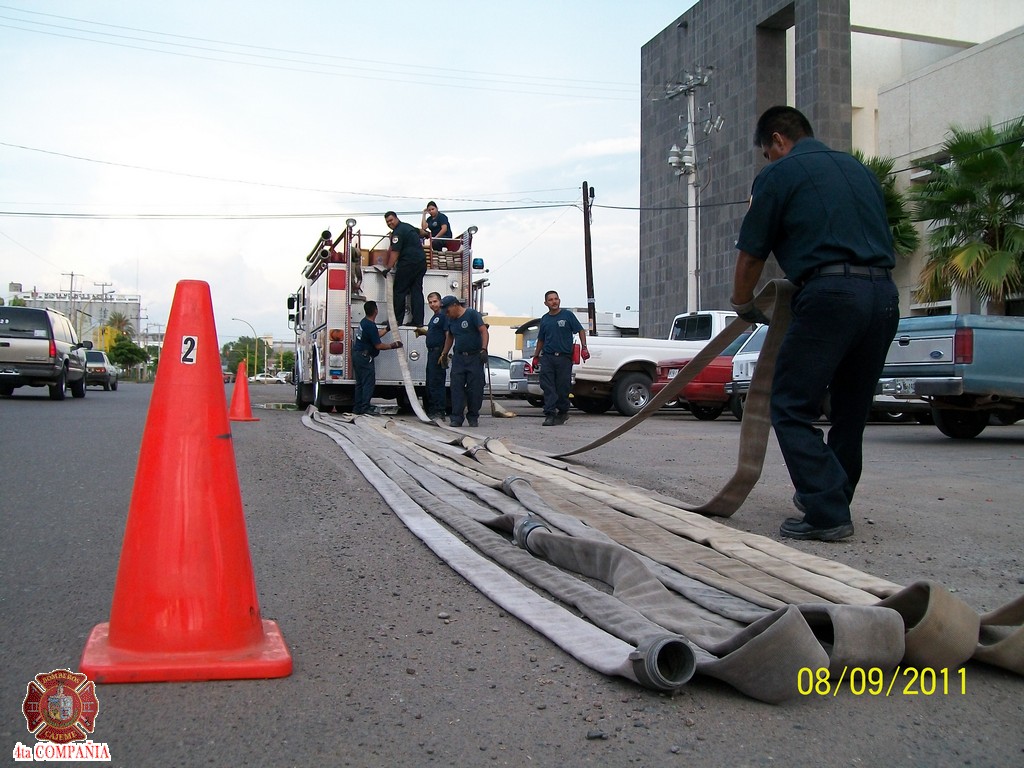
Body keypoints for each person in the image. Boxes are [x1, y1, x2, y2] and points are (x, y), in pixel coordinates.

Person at [732, 105, 898, 542]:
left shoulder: (779, 174)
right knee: (850, 410)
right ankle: (832, 495)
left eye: (767, 153)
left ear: (777, 140)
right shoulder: (859, 170)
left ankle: (826, 511)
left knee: (788, 404)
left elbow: (752, 252)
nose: (769, 160)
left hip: (831, 296)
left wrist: (742, 302)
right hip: (883, 295)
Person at [532, 290, 588, 426]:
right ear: (546, 303)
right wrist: (536, 356)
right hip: (548, 358)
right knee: (548, 387)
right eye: (550, 300)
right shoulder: (545, 319)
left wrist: (584, 347)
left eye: (556, 299)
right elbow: (541, 339)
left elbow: (580, 330)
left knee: (563, 387)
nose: (554, 302)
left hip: (564, 358)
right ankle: (550, 414)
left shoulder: (567, 315)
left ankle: (563, 412)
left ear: (559, 300)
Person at [438, 295, 488, 427]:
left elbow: (484, 331)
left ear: (455, 305)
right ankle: (456, 418)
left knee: (475, 389)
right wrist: (444, 353)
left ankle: (473, 416)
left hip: (474, 357)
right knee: (456, 388)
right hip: (459, 358)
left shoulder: (472, 314)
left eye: (447, 311)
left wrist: (484, 349)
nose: (447, 315)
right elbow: (450, 337)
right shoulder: (450, 320)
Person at [351, 300, 402, 416]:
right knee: (368, 383)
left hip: (357, 355)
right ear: (376, 311)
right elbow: (378, 345)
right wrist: (393, 345)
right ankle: (365, 407)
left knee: (359, 383)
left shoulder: (364, 322)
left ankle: (357, 407)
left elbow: (375, 335)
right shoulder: (370, 325)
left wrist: (387, 329)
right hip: (365, 358)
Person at [384, 211, 427, 330]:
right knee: (416, 291)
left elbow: (395, 251)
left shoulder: (397, 233)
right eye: (387, 222)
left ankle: (397, 321)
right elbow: (421, 232)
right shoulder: (408, 227)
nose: (389, 223)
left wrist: (388, 268)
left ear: (396, 218)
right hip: (421, 262)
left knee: (399, 291)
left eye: (391, 220)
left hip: (408, 263)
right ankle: (418, 321)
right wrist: (427, 234)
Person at [422, 291, 449, 420]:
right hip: (431, 352)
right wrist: (424, 333)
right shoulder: (434, 317)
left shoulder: (443, 316)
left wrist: (444, 353)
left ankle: (439, 411)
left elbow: (447, 334)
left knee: (437, 382)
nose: (433, 304)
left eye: (435, 301)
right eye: (430, 302)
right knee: (430, 382)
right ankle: (431, 410)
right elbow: (435, 334)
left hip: (438, 352)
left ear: (440, 302)